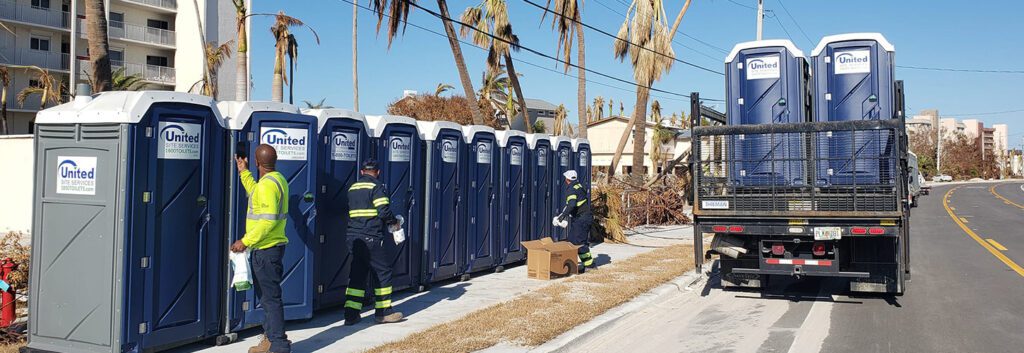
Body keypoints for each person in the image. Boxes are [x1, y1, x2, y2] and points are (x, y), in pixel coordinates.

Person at [230, 144, 291, 353]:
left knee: (270, 298)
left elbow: (266, 221)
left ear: (257, 162)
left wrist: (245, 241)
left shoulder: (267, 185)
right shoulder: (277, 179)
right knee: (267, 298)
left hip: (266, 250)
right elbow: (256, 194)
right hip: (271, 249)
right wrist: (244, 172)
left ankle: (279, 344)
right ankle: (270, 340)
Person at [344, 159, 404, 326]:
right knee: (383, 273)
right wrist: (394, 222)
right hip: (371, 236)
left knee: (357, 275)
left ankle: (351, 315)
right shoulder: (376, 187)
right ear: (377, 172)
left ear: (362, 172)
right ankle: (384, 312)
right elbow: (383, 211)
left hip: (353, 237)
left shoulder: (353, 187)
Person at [554, 170, 594, 273]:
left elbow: (571, 204)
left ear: (567, 179)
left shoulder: (571, 188)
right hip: (583, 218)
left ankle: (590, 266)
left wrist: (562, 216)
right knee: (573, 240)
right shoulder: (578, 185)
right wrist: (564, 213)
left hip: (582, 219)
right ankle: (584, 264)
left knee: (578, 242)